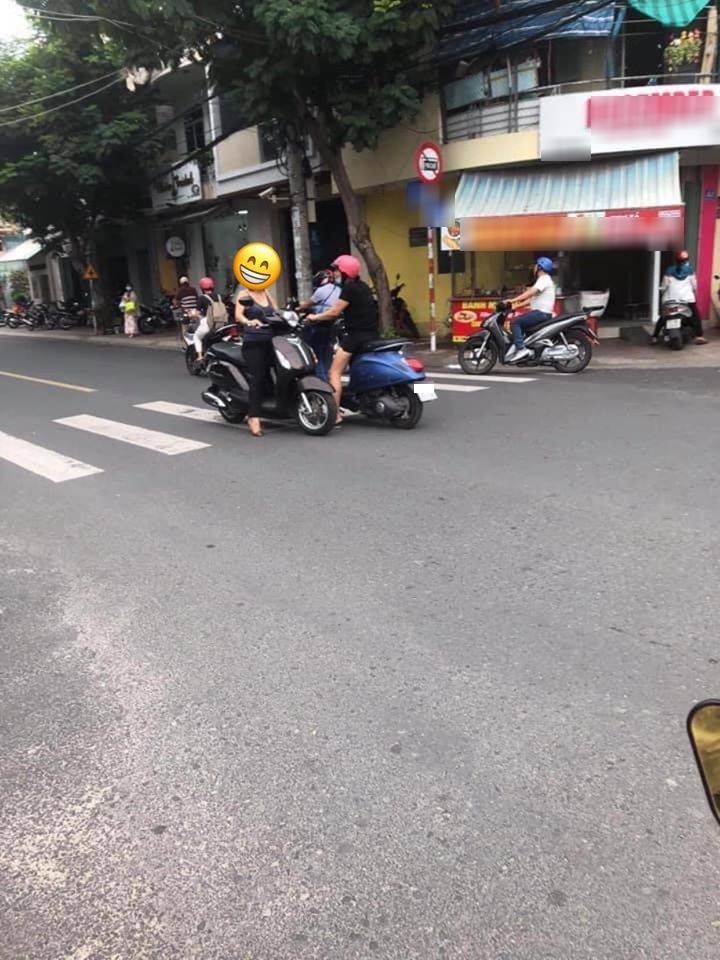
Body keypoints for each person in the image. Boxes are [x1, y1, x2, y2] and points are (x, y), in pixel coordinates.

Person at [307, 254, 379, 426]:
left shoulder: (349, 288)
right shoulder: (363, 286)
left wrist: (315, 317)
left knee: (334, 373)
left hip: (355, 337)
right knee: (357, 368)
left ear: (345, 271)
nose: (335, 273)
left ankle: (335, 415)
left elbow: (334, 311)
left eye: (337, 270)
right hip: (372, 334)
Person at [235, 283, 279, 438]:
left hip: (272, 341)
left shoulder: (267, 292)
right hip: (253, 342)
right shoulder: (243, 294)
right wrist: (249, 322)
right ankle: (253, 416)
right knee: (257, 378)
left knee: (282, 371)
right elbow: (238, 315)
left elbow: (276, 312)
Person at [506, 257, 556, 363]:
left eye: (535, 265)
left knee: (515, 323)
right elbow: (531, 300)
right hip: (541, 313)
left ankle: (521, 349)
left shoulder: (544, 279)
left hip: (540, 313)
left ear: (539, 267)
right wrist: (514, 306)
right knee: (523, 327)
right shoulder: (544, 280)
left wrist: (512, 300)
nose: (533, 268)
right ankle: (526, 349)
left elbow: (530, 293)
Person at [653, 251, 707, 345]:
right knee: (695, 316)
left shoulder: (669, 270)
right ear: (687, 260)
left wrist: (662, 291)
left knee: (663, 317)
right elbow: (694, 286)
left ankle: (654, 337)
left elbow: (664, 286)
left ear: (676, 260)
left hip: (670, 300)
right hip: (687, 300)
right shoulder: (690, 270)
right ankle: (699, 336)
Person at [300, 269, 340, 379]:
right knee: (327, 354)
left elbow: (307, 305)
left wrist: (298, 308)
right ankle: (329, 377)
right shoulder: (338, 289)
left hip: (319, 326)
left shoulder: (320, 291)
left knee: (318, 355)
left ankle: (321, 379)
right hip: (333, 326)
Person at [193, 276, 227, 363]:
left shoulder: (202, 298)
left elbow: (196, 313)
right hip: (222, 324)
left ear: (201, 287)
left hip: (208, 324)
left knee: (196, 337)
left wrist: (192, 315)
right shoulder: (220, 296)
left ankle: (200, 357)